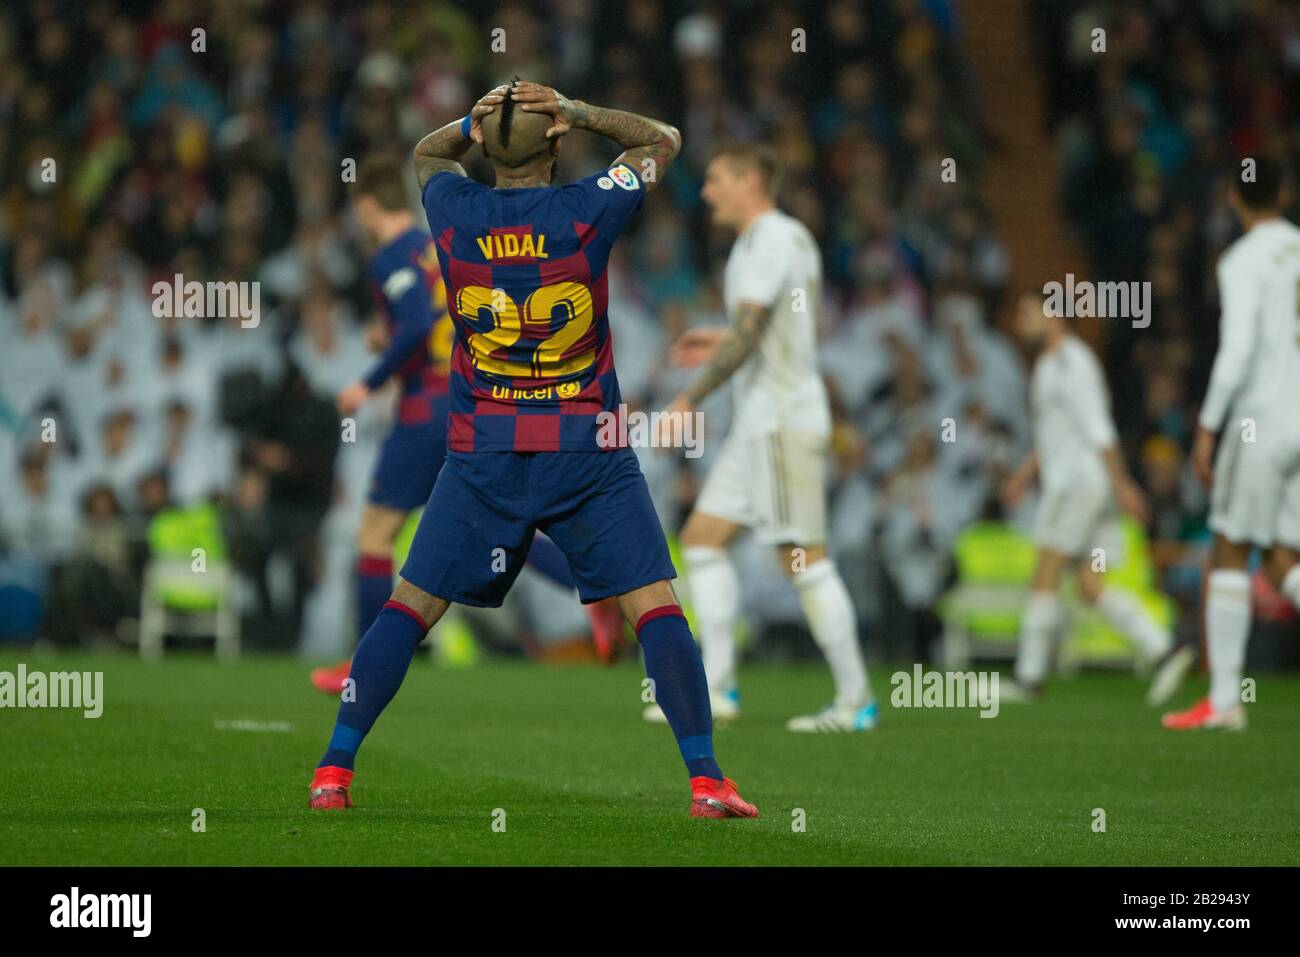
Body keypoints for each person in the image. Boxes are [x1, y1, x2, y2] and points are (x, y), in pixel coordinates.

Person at [308, 81, 757, 819]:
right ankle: (706, 778)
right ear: (558, 143)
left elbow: (427, 151)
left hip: (483, 453)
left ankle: (334, 767)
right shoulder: (590, 207)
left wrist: (475, 120)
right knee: (655, 606)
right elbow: (662, 138)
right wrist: (577, 111)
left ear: (483, 147)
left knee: (410, 606)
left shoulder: (451, 208)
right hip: (587, 452)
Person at [650, 144, 876, 732]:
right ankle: (718, 687)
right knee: (702, 540)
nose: (706, 192)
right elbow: (764, 327)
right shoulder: (776, 240)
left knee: (801, 556)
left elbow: (752, 333)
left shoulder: (770, 239)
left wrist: (686, 399)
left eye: (717, 179)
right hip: (759, 421)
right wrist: (720, 337)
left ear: (750, 180)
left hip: (780, 421)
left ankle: (856, 700)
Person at [1001, 292, 1192, 703]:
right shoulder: (1049, 365)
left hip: (1079, 485)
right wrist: (1024, 473)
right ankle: (1163, 649)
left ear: (1055, 316)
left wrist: (1122, 483)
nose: (1020, 321)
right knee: (1089, 585)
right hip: (1084, 484)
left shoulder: (1073, 362)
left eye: (1027, 311)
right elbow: (1056, 435)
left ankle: (1028, 677)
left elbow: (1098, 427)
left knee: (1046, 568)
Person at [1164, 158, 1300, 730]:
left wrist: (1208, 424)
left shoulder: (1241, 260)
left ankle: (1223, 701)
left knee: (1227, 543)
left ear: (1232, 201)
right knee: (1279, 557)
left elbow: (1238, 347)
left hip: (1262, 419)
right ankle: (1222, 700)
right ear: (1285, 192)